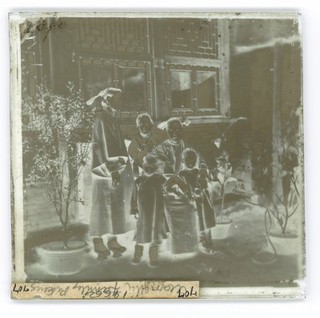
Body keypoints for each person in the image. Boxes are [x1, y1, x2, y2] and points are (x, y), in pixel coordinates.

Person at [86, 87, 133, 260]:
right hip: (104, 169)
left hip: (115, 167)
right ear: (106, 100)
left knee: (114, 203)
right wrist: (112, 170)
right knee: (101, 204)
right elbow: (102, 145)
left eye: (121, 99)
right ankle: (98, 240)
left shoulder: (111, 117)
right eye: (116, 99)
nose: (120, 102)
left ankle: (112, 239)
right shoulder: (101, 118)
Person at [130, 153, 167, 266]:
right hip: (144, 211)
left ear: (156, 168)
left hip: (156, 210)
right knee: (141, 230)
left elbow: (168, 188)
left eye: (152, 167)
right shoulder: (139, 181)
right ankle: (138, 253)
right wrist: (135, 209)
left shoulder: (160, 179)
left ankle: (153, 254)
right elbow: (133, 195)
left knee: (155, 232)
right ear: (143, 166)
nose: (149, 169)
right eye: (147, 167)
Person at [178, 148, 216, 253]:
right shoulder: (182, 175)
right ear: (182, 161)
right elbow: (182, 188)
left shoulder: (198, 172)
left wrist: (202, 185)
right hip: (192, 202)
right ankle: (202, 240)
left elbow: (205, 183)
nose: (190, 163)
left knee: (206, 218)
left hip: (203, 200)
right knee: (197, 220)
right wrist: (189, 194)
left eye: (193, 160)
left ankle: (209, 237)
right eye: (187, 160)